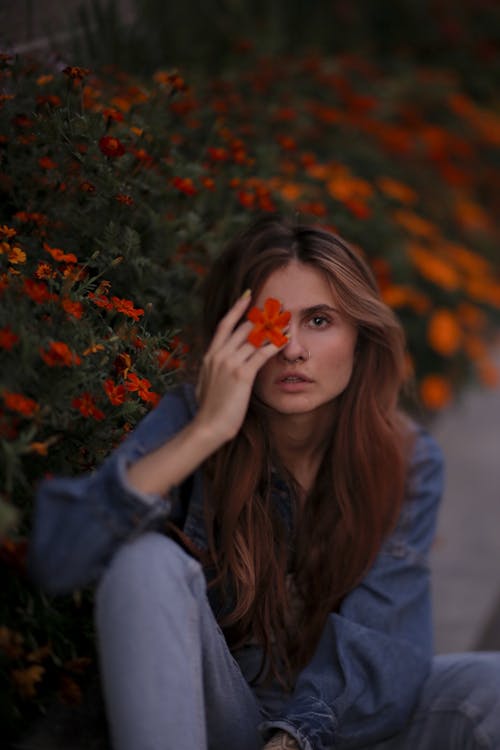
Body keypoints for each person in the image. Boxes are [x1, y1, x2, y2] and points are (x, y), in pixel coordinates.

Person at [30, 215, 500, 750]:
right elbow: (57, 557)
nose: (291, 350)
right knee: (146, 564)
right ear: (229, 335)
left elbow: (382, 643)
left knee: (492, 685)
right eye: (268, 322)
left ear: (360, 336)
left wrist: (295, 739)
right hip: (216, 718)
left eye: (319, 320)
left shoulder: (407, 457)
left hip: (336, 728)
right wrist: (207, 432)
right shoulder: (191, 419)